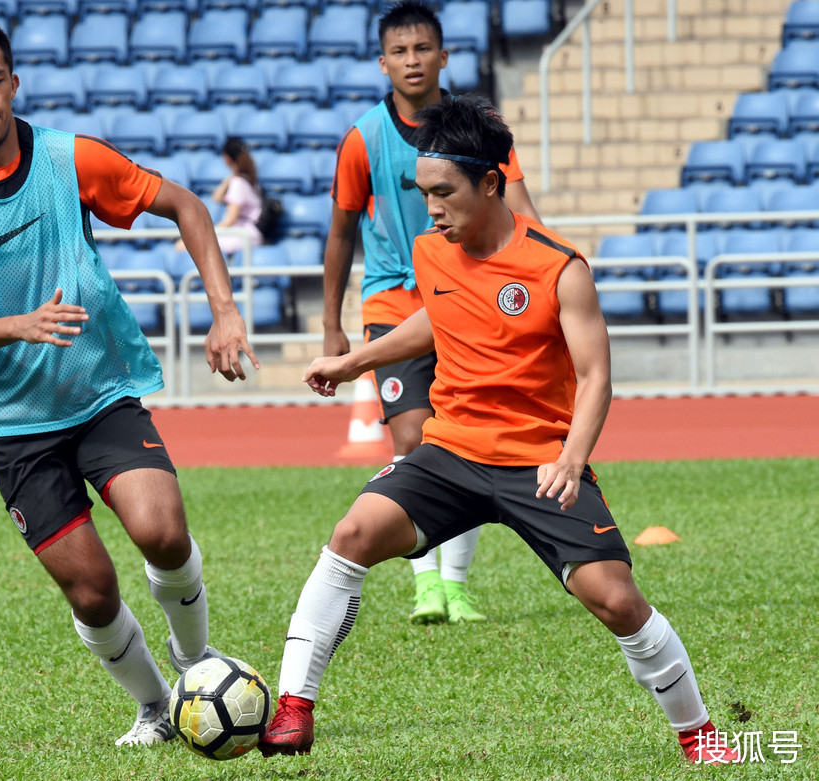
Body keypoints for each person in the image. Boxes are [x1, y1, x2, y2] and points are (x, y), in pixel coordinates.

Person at [257, 94, 739, 765]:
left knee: (616, 599)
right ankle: (293, 709)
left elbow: (596, 375)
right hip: (450, 452)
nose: (431, 208)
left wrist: (573, 458)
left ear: (490, 183)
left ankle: (702, 735)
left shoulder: (558, 265)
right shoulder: (432, 253)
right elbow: (438, 319)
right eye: (423, 193)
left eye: (444, 192)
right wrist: (352, 360)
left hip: (541, 461)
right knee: (351, 535)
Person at [0, 17, 259, 748]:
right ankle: (158, 708)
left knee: (161, 530)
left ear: (15, 81)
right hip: (13, 423)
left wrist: (224, 313)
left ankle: (197, 661)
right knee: (92, 589)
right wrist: (17, 324)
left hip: (100, 391)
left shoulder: (70, 159)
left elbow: (188, 207)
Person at [322, 0, 542, 626]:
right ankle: (426, 585)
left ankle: (458, 585)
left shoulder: (481, 131)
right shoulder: (363, 137)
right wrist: (331, 322)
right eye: (400, 51)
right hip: (394, 299)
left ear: (445, 56)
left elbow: (520, 204)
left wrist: (549, 268)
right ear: (382, 61)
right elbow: (340, 232)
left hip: (470, 296)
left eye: (423, 49)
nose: (412, 60)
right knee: (413, 437)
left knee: (465, 434)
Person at [174, 136, 263, 256]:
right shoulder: (248, 179)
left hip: (243, 235)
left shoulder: (238, 183)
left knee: (183, 245)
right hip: (247, 233)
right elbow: (217, 196)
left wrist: (207, 232)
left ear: (226, 159)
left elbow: (230, 220)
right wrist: (233, 175)